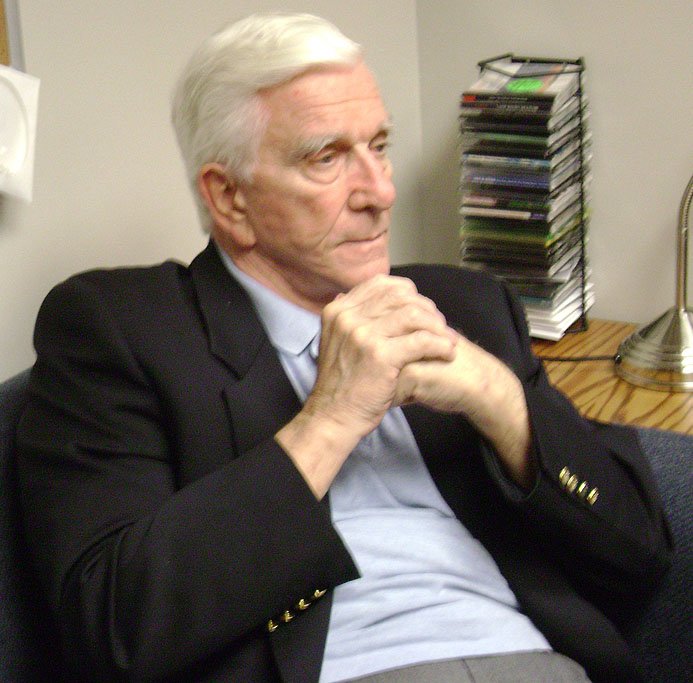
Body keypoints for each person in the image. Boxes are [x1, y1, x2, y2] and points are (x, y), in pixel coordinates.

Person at [16, 13, 670, 683]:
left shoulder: (465, 304)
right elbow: (113, 629)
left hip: (539, 663)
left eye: (379, 146)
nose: (380, 193)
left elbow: (639, 553)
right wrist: (331, 416)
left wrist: (499, 397)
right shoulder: (121, 327)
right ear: (228, 197)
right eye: (326, 157)